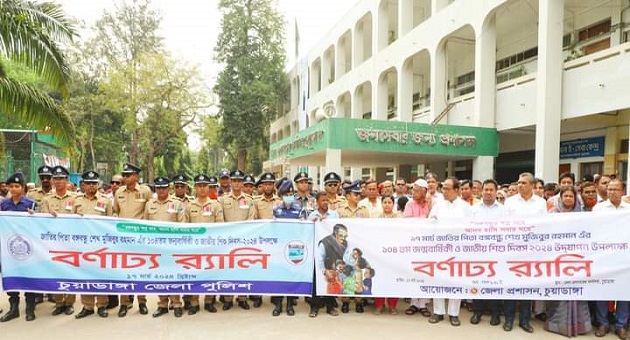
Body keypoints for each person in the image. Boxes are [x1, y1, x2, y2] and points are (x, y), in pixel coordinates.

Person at [503, 172, 547, 333]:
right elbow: (504, 225)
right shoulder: (510, 202)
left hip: (532, 250)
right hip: (513, 249)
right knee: (511, 285)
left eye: (523, 183)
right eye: (519, 183)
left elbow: (543, 226)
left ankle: (525, 320)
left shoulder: (541, 203)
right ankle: (508, 319)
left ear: (532, 185)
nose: (519, 185)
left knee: (527, 287)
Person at [545, 185, 591, 337]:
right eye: (566, 196)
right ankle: (556, 324)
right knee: (559, 290)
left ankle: (578, 325)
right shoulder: (552, 214)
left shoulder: (583, 215)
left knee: (576, 292)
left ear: (575, 198)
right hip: (557, 258)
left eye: (571, 196)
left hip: (576, 258)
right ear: (561, 198)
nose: (568, 199)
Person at [428, 177, 472, 327]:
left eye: (447, 188)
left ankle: (454, 314)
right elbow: (430, 225)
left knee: (456, 280)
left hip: (459, 250)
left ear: (457, 190)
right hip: (439, 249)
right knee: (438, 279)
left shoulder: (466, 208)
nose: (444, 191)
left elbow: (471, 229)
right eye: (443, 188)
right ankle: (438, 312)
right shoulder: (438, 206)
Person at [113, 163, 153, 317]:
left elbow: (149, 212)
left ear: (136, 176)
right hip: (123, 240)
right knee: (124, 273)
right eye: (124, 175)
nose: (125, 178)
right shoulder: (118, 193)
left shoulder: (145, 191)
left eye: (128, 175)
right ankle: (124, 303)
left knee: (140, 271)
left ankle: (142, 302)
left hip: (140, 239)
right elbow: (115, 212)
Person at [72, 171, 113, 319]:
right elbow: (69, 221)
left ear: (98, 184)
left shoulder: (106, 201)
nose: (91, 186)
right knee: (85, 275)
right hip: (82, 245)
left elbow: (110, 223)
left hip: (101, 245)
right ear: (83, 184)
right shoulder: (76, 200)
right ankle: (87, 306)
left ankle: (102, 305)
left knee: (101, 275)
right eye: (88, 183)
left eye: (94, 183)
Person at [593, 178, 630, 339]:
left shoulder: (628, 209)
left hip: (625, 256)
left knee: (624, 290)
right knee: (603, 289)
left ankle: (621, 325)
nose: (611, 192)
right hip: (604, 256)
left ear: (623, 191)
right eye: (609, 189)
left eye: (615, 189)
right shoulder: (598, 209)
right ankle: (603, 323)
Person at [144, 176, 186, 318]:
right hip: (156, 248)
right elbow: (145, 225)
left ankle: (176, 303)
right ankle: (162, 304)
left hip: (173, 247)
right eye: (158, 188)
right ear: (155, 189)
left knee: (173, 275)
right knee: (160, 276)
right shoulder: (149, 204)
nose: (161, 190)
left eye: (164, 187)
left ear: (169, 188)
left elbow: (182, 224)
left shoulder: (178, 203)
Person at [184, 174, 224, 314]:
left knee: (210, 274)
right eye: (199, 186)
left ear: (209, 187)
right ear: (195, 188)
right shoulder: (189, 206)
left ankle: (208, 301)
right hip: (194, 248)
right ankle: (194, 302)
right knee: (195, 274)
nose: (201, 188)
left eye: (204, 185)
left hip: (211, 247)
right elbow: (185, 226)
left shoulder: (215, 205)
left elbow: (220, 226)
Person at [40, 165, 78, 316]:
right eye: (56, 179)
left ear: (67, 181)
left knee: (70, 272)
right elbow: (41, 221)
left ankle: (69, 303)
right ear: (53, 181)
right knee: (55, 272)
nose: (58, 181)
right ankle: (59, 302)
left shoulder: (75, 199)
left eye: (61, 178)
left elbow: (82, 220)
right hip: (54, 243)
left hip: (71, 242)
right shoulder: (47, 199)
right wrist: (47, 215)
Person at [0, 173, 36, 322]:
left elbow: (38, 226)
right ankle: (14, 308)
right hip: (9, 248)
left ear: (23, 188)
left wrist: (34, 216)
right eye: (11, 186)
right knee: (10, 276)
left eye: (17, 186)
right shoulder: (4, 205)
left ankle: (30, 308)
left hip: (27, 248)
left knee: (28, 277)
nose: (14, 189)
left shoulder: (31, 204)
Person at [469, 179, 506, 327]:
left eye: (491, 190)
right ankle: (477, 312)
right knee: (478, 282)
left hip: (497, 253)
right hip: (478, 252)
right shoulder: (474, 209)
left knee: (495, 283)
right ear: (481, 191)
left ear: (496, 192)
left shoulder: (503, 210)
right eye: (486, 190)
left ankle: (495, 313)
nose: (488, 192)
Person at [219, 169, 255, 310]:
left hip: (243, 240)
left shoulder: (249, 200)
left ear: (242, 183)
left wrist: (243, 234)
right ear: (230, 182)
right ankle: (228, 298)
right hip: (227, 241)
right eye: (234, 181)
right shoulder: (223, 200)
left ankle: (242, 297)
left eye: (239, 181)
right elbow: (220, 219)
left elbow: (251, 218)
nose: (236, 183)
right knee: (228, 269)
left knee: (243, 268)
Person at [269, 178, 304, 316]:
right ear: (281, 196)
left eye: (290, 194)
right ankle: (278, 304)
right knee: (279, 276)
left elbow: (303, 230)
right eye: (286, 195)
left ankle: (290, 304)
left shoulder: (299, 210)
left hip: (294, 248)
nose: (288, 197)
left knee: (291, 277)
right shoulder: (277, 211)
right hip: (279, 248)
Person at [336, 181, 369, 313]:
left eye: (359, 194)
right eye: (355, 194)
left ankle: (359, 301)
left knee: (358, 273)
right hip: (344, 248)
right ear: (348, 195)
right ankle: (345, 301)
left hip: (359, 249)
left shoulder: (364, 211)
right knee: (345, 274)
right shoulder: (339, 211)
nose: (358, 196)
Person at [307, 191, 340, 318]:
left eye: (327, 200)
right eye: (323, 200)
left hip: (331, 253)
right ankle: (314, 307)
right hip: (317, 252)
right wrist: (314, 223)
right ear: (317, 202)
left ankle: (330, 306)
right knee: (316, 280)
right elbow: (308, 232)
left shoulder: (334, 215)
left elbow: (338, 230)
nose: (325, 203)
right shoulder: (312, 216)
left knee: (331, 278)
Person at [373, 195, 400, 315]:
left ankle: (392, 305)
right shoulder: (376, 219)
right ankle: (379, 305)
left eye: (390, 202)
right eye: (385, 202)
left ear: (393, 204)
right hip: (379, 254)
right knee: (379, 279)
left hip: (394, 254)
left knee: (393, 280)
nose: (387, 204)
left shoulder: (399, 219)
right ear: (381, 204)